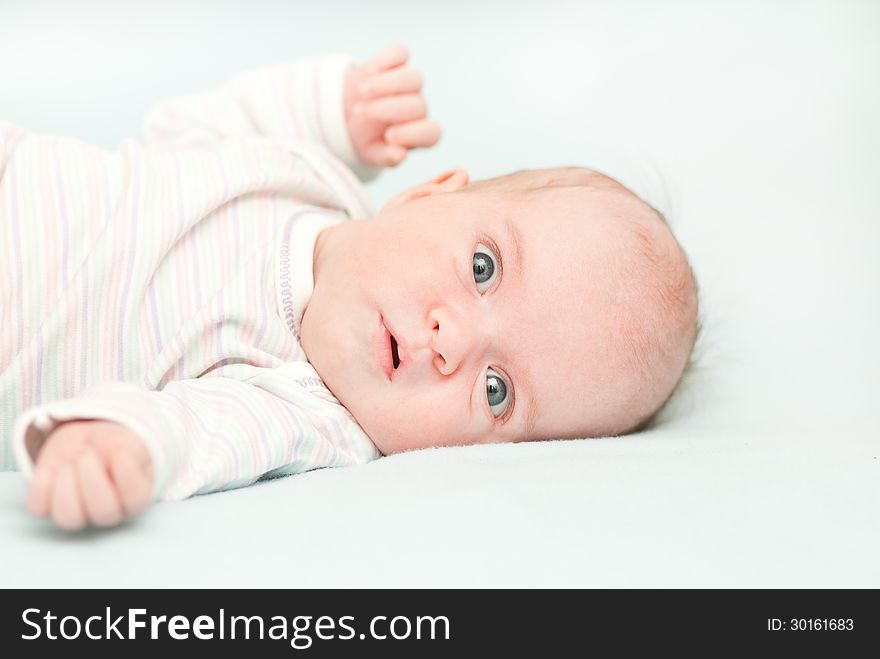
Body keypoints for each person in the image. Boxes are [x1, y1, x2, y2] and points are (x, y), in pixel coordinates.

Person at [0, 44, 698, 531]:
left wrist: (119, 442)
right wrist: (334, 109)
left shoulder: (310, 413)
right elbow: (181, 131)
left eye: (496, 390)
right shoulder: (306, 174)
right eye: (483, 268)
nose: (451, 340)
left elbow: (202, 429)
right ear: (427, 194)